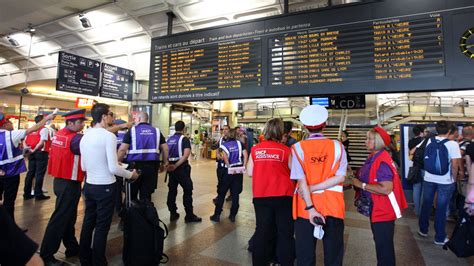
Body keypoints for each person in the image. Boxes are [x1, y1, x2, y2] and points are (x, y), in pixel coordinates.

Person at [79, 103, 138, 265]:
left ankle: (84, 257)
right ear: (104, 116)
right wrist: (130, 174)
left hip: (89, 185)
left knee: (88, 221)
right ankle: (98, 261)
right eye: (111, 114)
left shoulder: (85, 136)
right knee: (102, 226)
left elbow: (83, 166)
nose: (113, 118)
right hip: (105, 186)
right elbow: (113, 168)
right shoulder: (109, 136)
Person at [291, 104, 347, 266]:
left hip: (304, 209)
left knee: (305, 255)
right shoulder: (338, 147)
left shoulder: (297, 148)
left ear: (304, 127)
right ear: (325, 124)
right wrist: (316, 187)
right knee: (334, 254)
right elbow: (340, 177)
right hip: (333, 206)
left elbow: (301, 182)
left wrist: (311, 208)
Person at [348, 126, 407, 266]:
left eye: (369, 139)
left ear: (379, 141)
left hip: (383, 210)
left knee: (384, 247)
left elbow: (386, 189)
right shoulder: (375, 157)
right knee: (382, 244)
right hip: (378, 208)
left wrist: (360, 184)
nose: (365, 141)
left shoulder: (381, 161)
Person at [40, 109, 87, 265]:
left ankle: (72, 247)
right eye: (80, 122)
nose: (82, 124)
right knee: (60, 218)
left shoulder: (59, 135)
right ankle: (47, 254)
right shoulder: (76, 139)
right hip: (69, 182)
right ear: (70, 123)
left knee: (69, 216)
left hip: (60, 181)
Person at [247, 118, 295, 266]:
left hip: (261, 196)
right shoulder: (287, 150)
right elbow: (295, 173)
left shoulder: (255, 149)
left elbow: (249, 172)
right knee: (285, 232)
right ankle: (285, 261)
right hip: (284, 196)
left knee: (262, 231)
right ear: (281, 132)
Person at [0, 111, 55, 222]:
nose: (11, 124)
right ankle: (10, 229)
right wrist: (48, 117)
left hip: (2, 173)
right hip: (11, 174)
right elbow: (35, 127)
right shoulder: (12, 134)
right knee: (9, 202)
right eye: (9, 121)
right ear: (4, 124)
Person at [417, 120, 462, 245]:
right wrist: (453, 179)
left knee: (426, 204)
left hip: (429, 178)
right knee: (441, 208)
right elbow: (454, 165)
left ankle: (423, 229)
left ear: (437, 130)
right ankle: (439, 237)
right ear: (449, 131)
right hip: (445, 181)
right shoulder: (453, 144)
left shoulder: (429, 141)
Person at [118, 112, 168, 201]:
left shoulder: (132, 131)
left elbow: (122, 149)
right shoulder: (156, 131)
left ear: (139, 119)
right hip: (152, 168)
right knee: (146, 196)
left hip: (134, 168)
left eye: (135, 119)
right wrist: (165, 163)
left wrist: (118, 162)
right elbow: (165, 148)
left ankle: (132, 214)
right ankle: (146, 213)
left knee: (131, 196)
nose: (134, 121)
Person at [166, 121, 202, 223]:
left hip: (171, 169)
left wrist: (168, 165)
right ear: (184, 129)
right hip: (181, 169)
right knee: (187, 190)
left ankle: (173, 213)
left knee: (172, 191)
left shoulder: (169, 139)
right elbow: (186, 155)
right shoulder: (184, 139)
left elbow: (164, 152)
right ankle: (189, 216)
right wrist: (176, 166)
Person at [210, 128, 248, 222]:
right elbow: (246, 155)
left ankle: (217, 214)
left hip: (228, 170)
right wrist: (244, 166)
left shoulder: (224, 145)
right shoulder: (240, 144)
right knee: (235, 194)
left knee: (222, 192)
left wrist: (228, 166)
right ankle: (233, 215)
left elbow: (225, 158)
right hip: (238, 170)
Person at [23, 114, 52, 201]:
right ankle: (38, 194)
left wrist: (28, 149)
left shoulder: (31, 130)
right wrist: (35, 149)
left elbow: (23, 140)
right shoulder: (44, 129)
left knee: (30, 173)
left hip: (31, 152)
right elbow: (42, 142)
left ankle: (27, 193)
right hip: (40, 153)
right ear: (42, 121)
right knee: (39, 173)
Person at [408, 125, 427, 216]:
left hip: (415, 167)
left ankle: (416, 209)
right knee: (424, 189)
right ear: (421, 132)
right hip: (423, 167)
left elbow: (411, 153)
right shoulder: (423, 141)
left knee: (416, 188)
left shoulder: (411, 141)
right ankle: (422, 209)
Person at [213, 125, 230, 204]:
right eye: (223, 129)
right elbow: (217, 148)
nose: (225, 130)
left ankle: (231, 195)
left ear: (229, 130)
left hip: (229, 165)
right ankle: (219, 196)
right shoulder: (220, 140)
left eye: (226, 129)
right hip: (220, 165)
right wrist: (218, 154)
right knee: (220, 181)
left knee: (228, 182)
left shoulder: (232, 140)